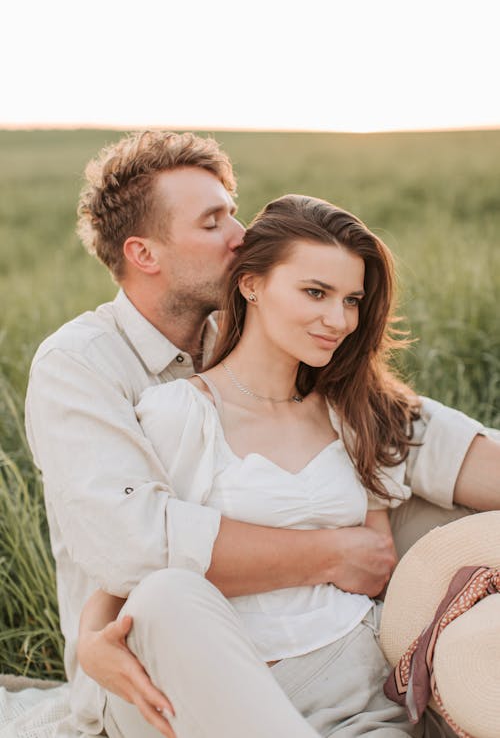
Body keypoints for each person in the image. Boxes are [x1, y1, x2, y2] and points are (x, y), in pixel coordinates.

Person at [25, 131, 500, 737]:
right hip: (159, 662)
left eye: (235, 210)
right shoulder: (81, 365)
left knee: (438, 513)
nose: (240, 234)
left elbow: (409, 429)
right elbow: (136, 548)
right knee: (170, 594)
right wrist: (337, 554)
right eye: (213, 221)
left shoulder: (259, 326)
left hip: (325, 643)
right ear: (146, 254)